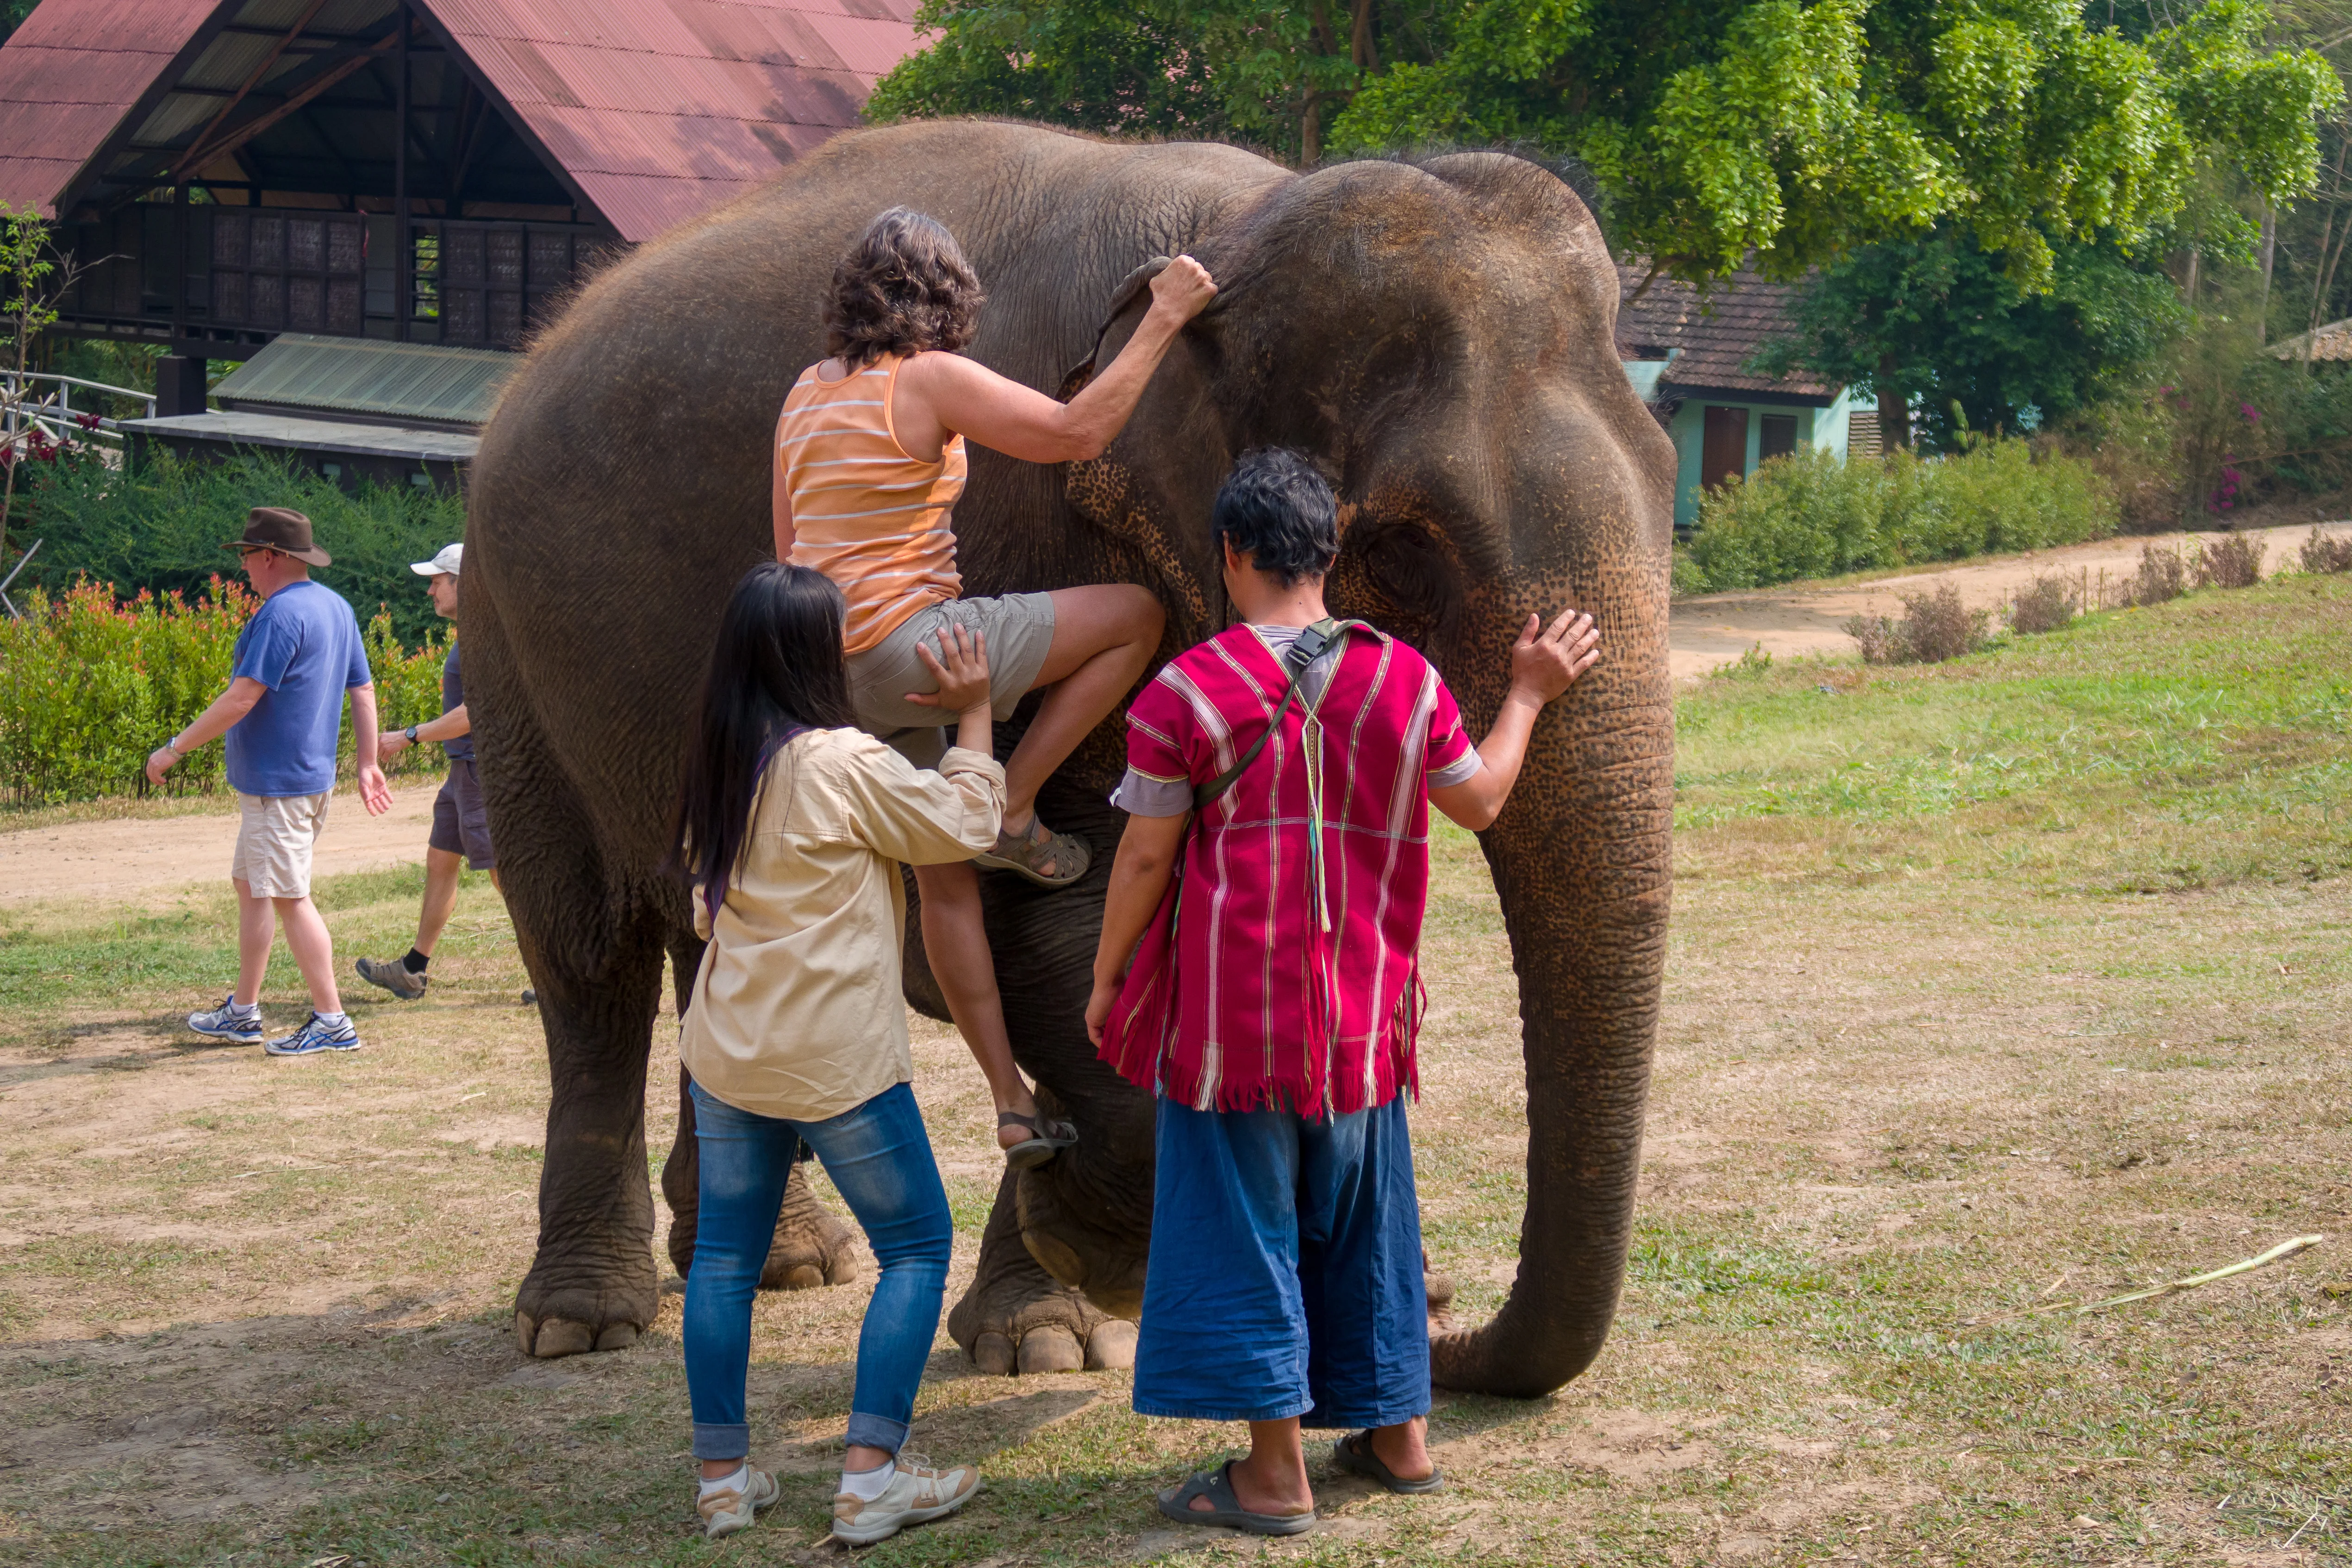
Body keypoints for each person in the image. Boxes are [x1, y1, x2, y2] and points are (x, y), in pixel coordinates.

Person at [1083, 450, 1601, 1536]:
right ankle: (1396, 1434)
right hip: (1365, 1024)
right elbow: (1480, 801)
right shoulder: (1403, 679)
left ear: (1231, 555)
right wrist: (1525, 690)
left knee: (1246, 1228)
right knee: (1372, 1222)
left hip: (1231, 1029)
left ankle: (1273, 1476)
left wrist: (1107, 975)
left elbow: (1140, 862)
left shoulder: (1187, 689)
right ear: (1328, 553)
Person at [776, 206, 1216, 1168]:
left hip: (829, 668)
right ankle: (1012, 805)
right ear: (943, 299)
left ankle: (1008, 1100)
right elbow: (1074, 431)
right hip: (915, 649)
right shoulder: (926, 376)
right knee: (1136, 615)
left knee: (944, 882)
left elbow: (789, 552)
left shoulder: (804, 395)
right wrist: (1165, 315)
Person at [671, 561, 1001, 1546]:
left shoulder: (722, 760)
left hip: (728, 1046)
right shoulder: (842, 760)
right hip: (835, 1059)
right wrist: (975, 712)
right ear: (815, 654)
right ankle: (869, 1477)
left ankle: (723, 1484)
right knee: (917, 1244)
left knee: (723, 1261)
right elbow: (963, 824)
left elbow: (701, 906)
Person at [147, 507, 394, 1058]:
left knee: (289, 896)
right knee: (252, 886)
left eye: (246, 558)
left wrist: (173, 750)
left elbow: (241, 697)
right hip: (306, 781)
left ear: (271, 557)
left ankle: (332, 1021)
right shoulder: (336, 606)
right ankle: (243, 1011)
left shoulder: (280, 615)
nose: (244, 571)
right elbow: (364, 690)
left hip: (276, 787)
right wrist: (366, 761)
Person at [353, 541, 534, 1006]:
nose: (430, 590)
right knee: (441, 861)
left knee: (505, 874)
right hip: (464, 772)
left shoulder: (483, 637)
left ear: (465, 583)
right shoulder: (470, 634)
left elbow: (475, 712)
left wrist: (407, 736)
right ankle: (413, 970)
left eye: (437, 580)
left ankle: (557, 972)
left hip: (483, 771)